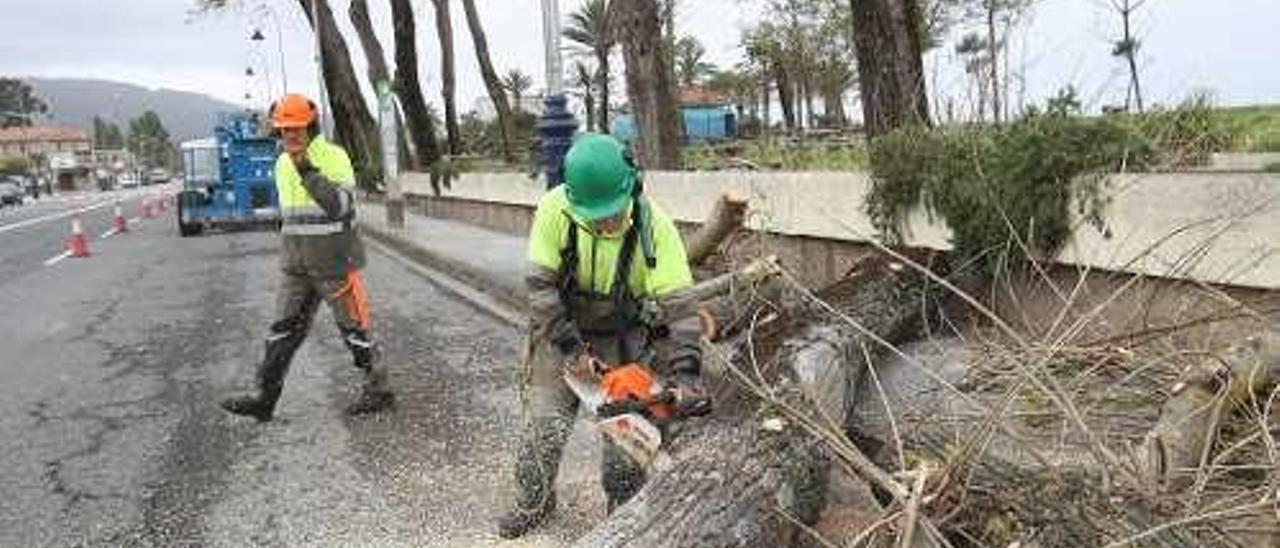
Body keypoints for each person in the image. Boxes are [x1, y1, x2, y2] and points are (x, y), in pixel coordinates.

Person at [496, 133, 709, 538]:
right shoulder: (554, 209)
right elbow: (540, 290)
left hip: (623, 335)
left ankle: (622, 509)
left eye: (611, 213)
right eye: (595, 215)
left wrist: (687, 372)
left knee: (626, 433)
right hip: (560, 328)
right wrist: (571, 348)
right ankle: (533, 500)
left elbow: (681, 308)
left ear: (631, 186)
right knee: (545, 421)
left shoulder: (654, 227)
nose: (604, 221)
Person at [221, 93, 394, 422]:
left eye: (296, 128)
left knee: (354, 330)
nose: (290, 135)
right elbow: (290, 216)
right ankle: (264, 397)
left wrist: (306, 168)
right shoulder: (281, 163)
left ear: (310, 126)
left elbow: (341, 207)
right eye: (284, 129)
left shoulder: (333, 156)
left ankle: (379, 389)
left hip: (334, 265)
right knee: (281, 332)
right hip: (296, 267)